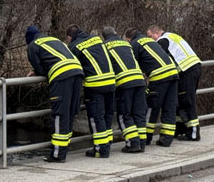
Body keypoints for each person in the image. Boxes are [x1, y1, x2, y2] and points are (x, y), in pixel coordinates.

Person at [25, 25, 83, 163]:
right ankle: (64, 149)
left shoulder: (33, 45)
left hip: (62, 76)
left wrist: (37, 73)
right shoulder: (55, 40)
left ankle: (57, 154)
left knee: (60, 114)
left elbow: (39, 66)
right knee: (70, 112)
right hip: (77, 72)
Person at [66, 25, 116, 158]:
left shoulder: (74, 46)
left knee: (96, 117)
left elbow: (72, 67)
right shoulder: (97, 39)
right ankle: (107, 143)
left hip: (95, 84)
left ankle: (100, 149)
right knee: (107, 115)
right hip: (111, 81)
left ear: (69, 37)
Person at [146, 25, 202, 141]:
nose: (150, 39)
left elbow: (160, 59)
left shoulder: (162, 41)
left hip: (186, 70)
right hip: (192, 67)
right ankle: (180, 130)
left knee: (187, 101)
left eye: (150, 36)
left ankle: (193, 133)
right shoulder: (172, 36)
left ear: (156, 33)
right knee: (180, 101)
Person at [124, 27, 178, 147]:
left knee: (151, 107)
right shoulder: (149, 41)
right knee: (169, 107)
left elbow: (134, 64)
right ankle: (167, 139)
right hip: (173, 73)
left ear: (129, 38)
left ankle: (146, 138)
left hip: (159, 76)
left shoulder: (134, 44)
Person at [102, 26, 147, 153]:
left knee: (124, 114)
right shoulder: (126, 43)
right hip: (139, 80)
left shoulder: (105, 45)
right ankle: (141, 143)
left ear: (104, 36)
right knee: (138, 113)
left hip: (124, 82)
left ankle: (133, 143)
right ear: (116, 33)